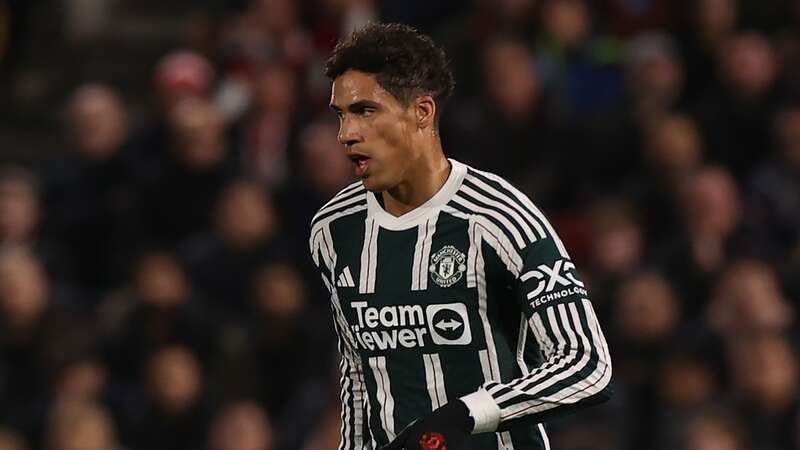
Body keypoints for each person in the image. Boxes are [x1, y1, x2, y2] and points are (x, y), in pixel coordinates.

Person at [308, 23, 612, 450]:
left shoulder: (501, 217)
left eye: (365, 111)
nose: (346, 134)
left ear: (422, 112)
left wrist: (469, 414)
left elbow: (587, 364)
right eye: (341, 115)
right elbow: (360, 376)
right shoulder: (333, 230)